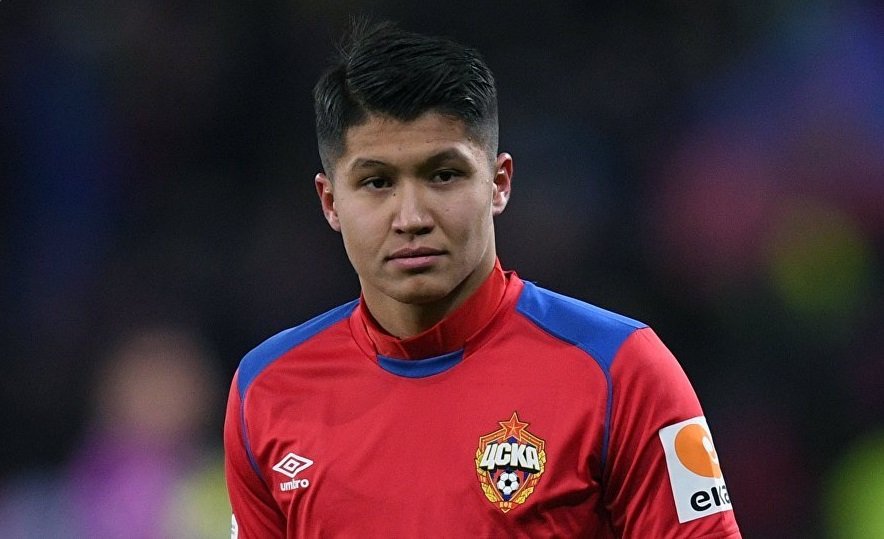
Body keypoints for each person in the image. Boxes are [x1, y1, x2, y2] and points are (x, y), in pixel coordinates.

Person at [224, 20, 741, 538]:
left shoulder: (623, 371)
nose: (411, 217)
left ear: (499, 183)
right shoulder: (266, 390)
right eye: (377, 182)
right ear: (330, 202)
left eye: (443, 175)